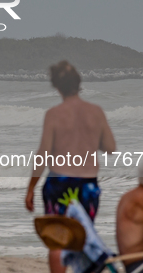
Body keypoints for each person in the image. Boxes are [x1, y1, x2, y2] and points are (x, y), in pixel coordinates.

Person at [25, 60, 116, 273]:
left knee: (58, 239)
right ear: (79, 83)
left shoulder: (54, 114)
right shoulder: (96, 112)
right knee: (83, 236)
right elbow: (110, 147)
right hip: (88, 185)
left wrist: (31, 187)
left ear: (57, 87)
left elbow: (43, 154)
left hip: (58, 181)